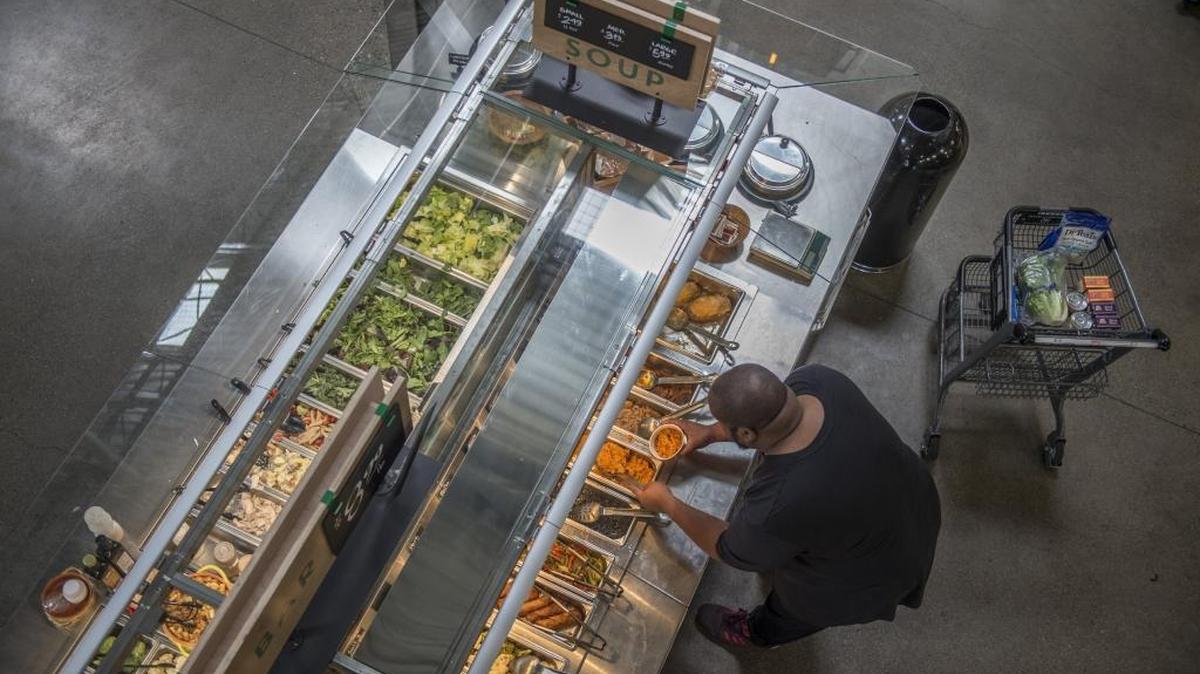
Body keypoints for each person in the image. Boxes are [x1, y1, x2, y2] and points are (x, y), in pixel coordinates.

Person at [634, 363, 941, 649]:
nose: (721, 428)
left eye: (726, 425)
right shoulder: (817, 379)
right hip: (915, 500)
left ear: (747, 434)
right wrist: (712, 433)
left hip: (862, 576)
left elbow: (727, 548)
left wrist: (667, 503)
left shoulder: (777, 503)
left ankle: (757, 633)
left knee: (796, 611)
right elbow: (770, 420)